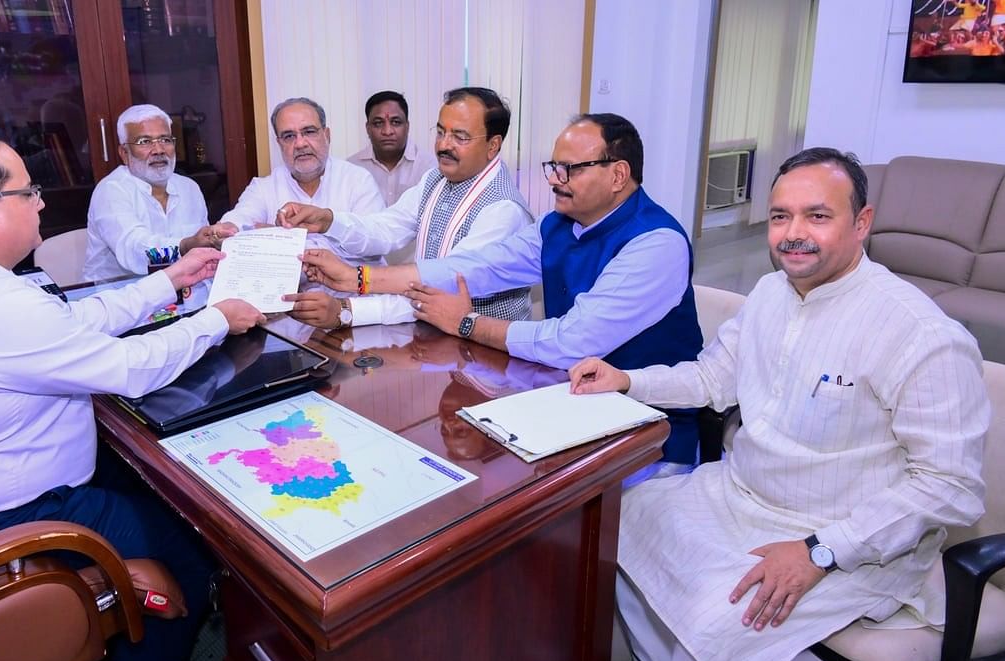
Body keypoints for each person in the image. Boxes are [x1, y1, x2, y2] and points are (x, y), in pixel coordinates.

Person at [567, 147, 988, 661]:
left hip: (843, 536)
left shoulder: (919, 334)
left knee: (717, 614)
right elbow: (712, 378)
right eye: (780, 216)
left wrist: (819, 551)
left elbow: (951, 485)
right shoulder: (770, 292)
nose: (794, 233)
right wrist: (627, 380)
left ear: (862, 223)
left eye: (817, 215)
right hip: (738, 496)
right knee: (620, 521)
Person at [0, 126, 267, 661]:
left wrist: (171, 280)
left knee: (143, 477)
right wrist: (216, 319)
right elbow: (130, 370)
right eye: (28, 191)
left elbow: (68, 324)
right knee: (193, 549)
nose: (40, 203)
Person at [299, 113, 704, 465]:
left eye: (570, 170)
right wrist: (359, 280)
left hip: (646, 433)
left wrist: (466, 324)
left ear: (618, 174)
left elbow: (570, 341)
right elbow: (472, 268)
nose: (554, 181)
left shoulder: (656, 244)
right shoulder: (558, 225)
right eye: (553, 167)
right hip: (572, 402)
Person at [278, 87, 535, 332]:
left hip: (488, 361)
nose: (443, 145)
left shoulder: (502, 210)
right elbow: (387, 228)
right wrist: (329, 221)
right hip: (430, 338)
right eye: (440, 132)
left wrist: (347, 308)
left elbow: (442, 289)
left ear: (493, 145)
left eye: (460, 137)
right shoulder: (436, 179)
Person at [217, 97, 385, 268]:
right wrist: (230, 230)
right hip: (289, 293)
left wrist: (275, 238)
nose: (300, 143)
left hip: (352, 292)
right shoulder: (263, 188)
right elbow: (237, 226)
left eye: (309, 131)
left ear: (326, 135)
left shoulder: (358, 180)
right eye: (289, 136)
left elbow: (374, 244)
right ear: (279, 143)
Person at [84, 103, 232, 282]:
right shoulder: (111, 190)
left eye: (165, 140)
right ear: (124, 153)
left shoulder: (189, 188)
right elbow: (134, 250)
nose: (159, 150)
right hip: (118, 297)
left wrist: (216, 239)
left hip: (181, 295)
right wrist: (185, 246)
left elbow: (203, 252)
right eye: (145, 142)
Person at [347, 90, 437, 207]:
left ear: (407, 126)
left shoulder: (429, 168)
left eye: (396, 122)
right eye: (378, 123)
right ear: (368, 128)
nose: (387, 131)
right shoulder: (352, 168)